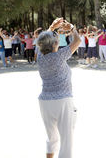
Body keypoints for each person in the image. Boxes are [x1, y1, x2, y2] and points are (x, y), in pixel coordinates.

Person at [37, 18, 81, 158]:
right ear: (56, 43)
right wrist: (72, 28)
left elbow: (44, 39)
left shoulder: (40, 56)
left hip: (45, 101)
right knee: (67, 140)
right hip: (62, 100)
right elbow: (78, 41)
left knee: (51, 139)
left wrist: (51, 27)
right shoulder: (59, 56)